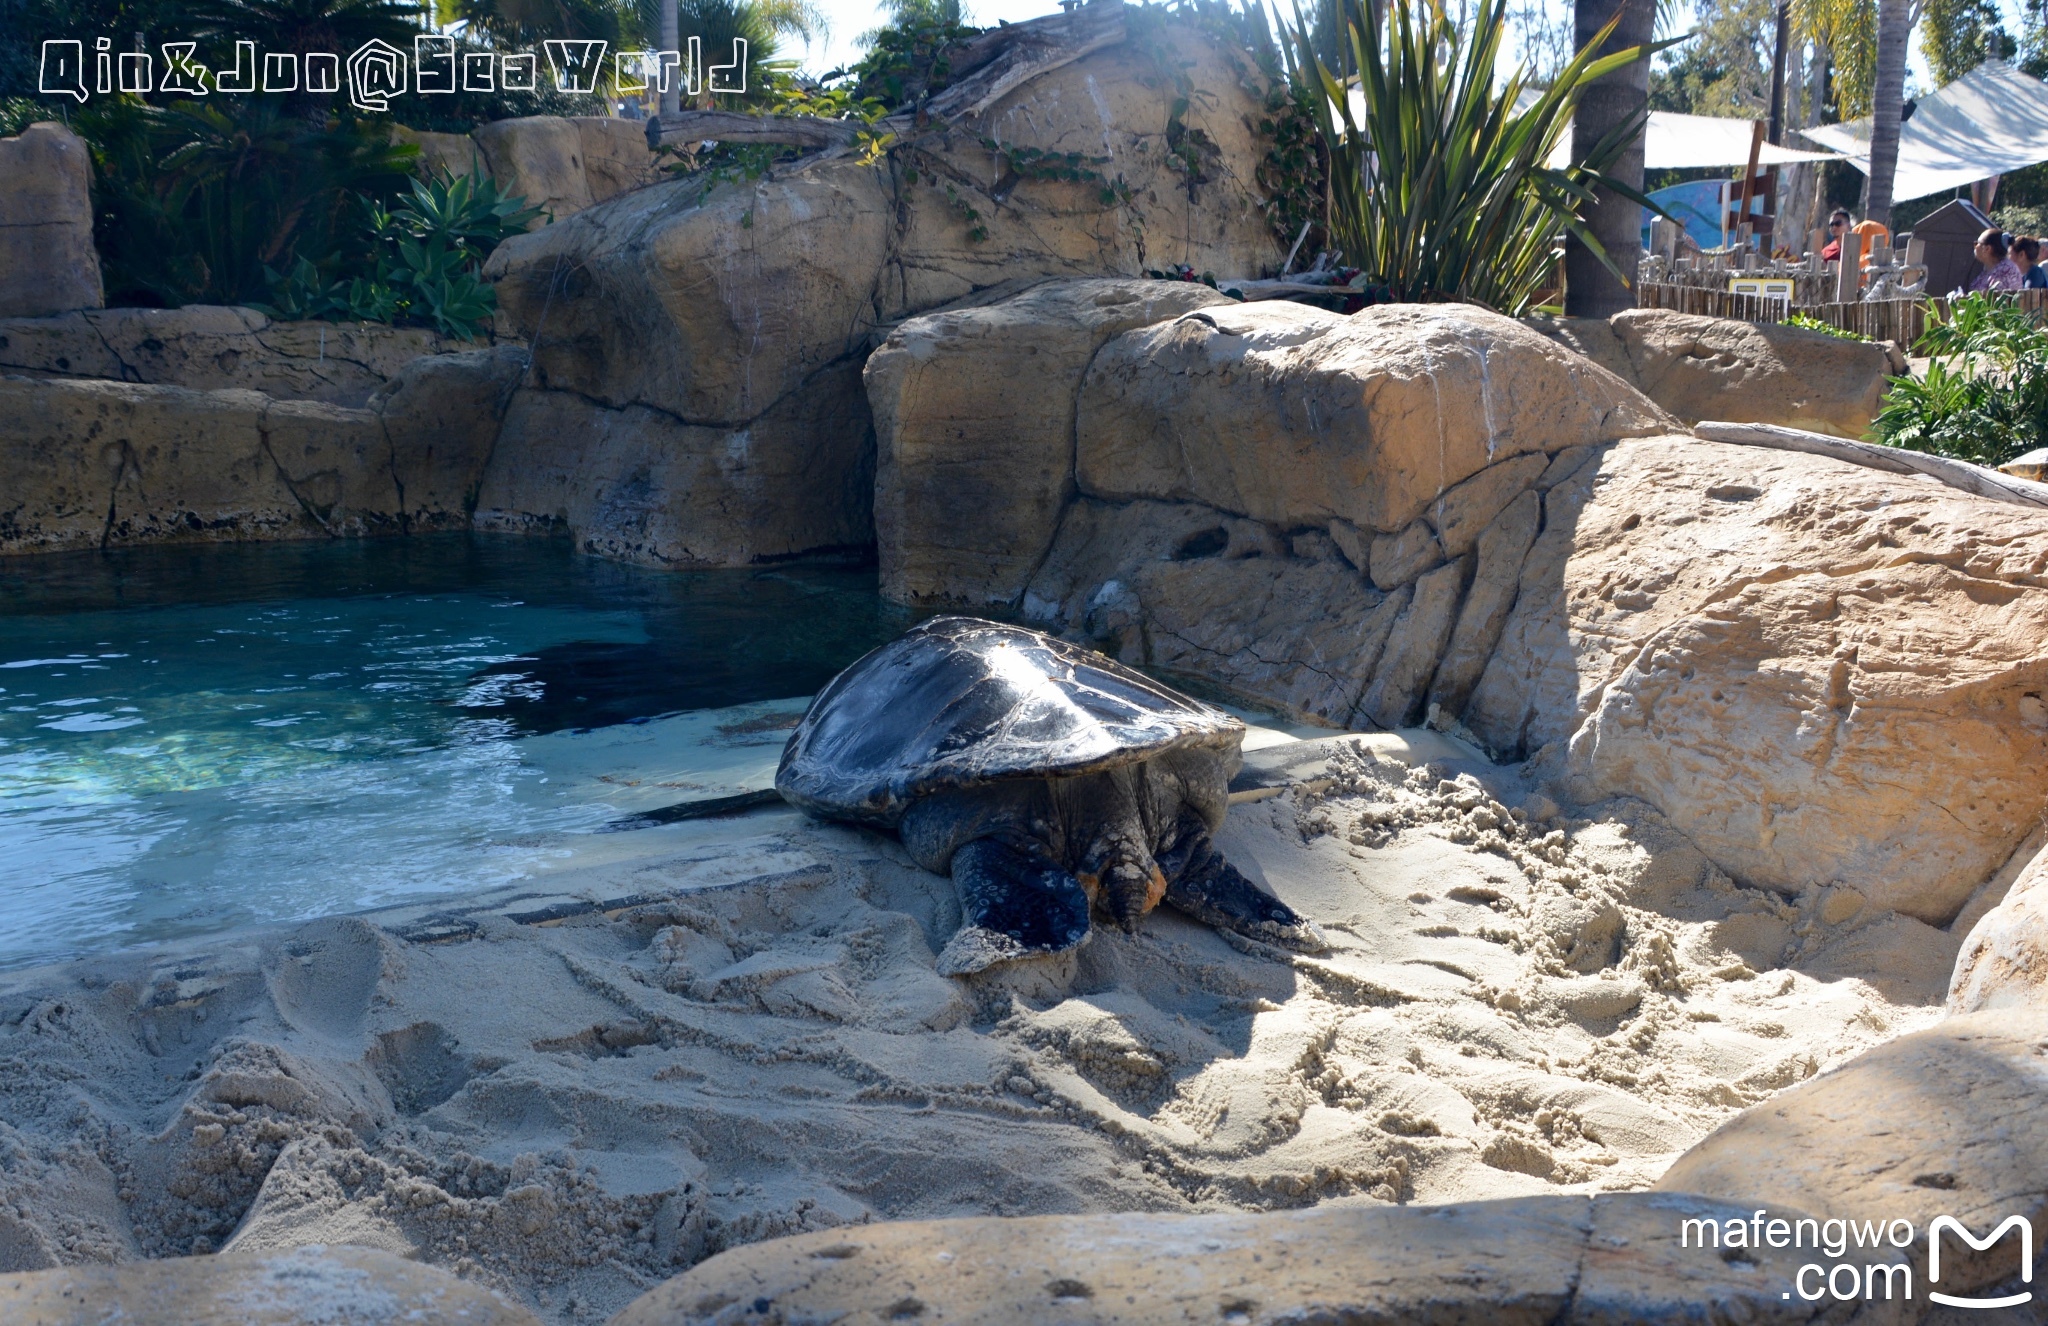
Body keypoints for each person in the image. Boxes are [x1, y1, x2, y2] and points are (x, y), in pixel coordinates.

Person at [1971, 228, 2024, 292]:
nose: (1975, 246)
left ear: (1987, 249)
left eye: (1977, 243)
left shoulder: (2005, 270)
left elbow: (1995, 298)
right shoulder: (1990, 269)